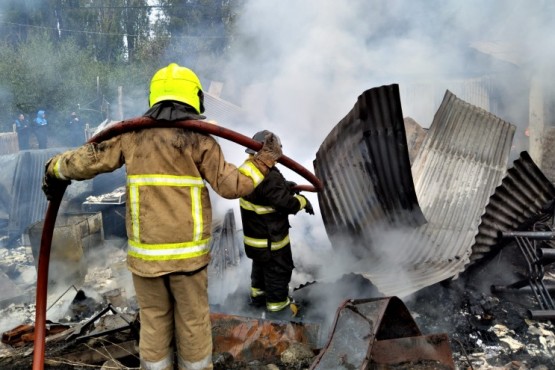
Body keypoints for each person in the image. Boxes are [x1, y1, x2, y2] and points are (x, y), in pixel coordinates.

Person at [42, 63, 283, 370]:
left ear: (155, 97)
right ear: (194, 98)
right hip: (189, 260)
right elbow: (233, 185)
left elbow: (88, 159)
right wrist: (263, 161)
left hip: (147, 260)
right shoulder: (201, 141)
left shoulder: (130, 136)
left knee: (154, 322)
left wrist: (55, 169)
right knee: (193, 322)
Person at [239, 130, 314, 314]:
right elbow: (286, 203)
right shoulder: (269, 177)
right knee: (277, 273)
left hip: (255, 241)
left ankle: (257, 304)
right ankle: (278, 311)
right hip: (272, 242)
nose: (277, 160)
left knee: (259, 271)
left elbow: (266, 193)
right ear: (269, 152)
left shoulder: (248, 169)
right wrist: (303, 202)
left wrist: (284, 185)